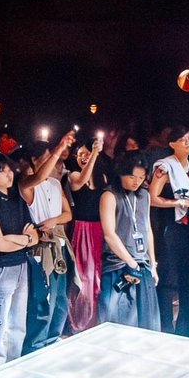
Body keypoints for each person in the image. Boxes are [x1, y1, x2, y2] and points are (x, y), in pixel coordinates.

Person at [0, 154, 37, 370]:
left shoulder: (17, 199)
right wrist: (24, 240)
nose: (9, 174)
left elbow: (34, 237)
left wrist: (17, 239)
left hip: (20, 265)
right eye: (2, 171)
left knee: (18, 325)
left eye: (9, 169)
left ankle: (13, 368)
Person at [19, 133, 75, 354]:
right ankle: (35, 346)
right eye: (47, 158)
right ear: (33, 160)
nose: (53, 162)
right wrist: (59, 149)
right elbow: (39, 176)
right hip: (40, 246)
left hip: (59, 241)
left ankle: (52, 339)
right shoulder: (26, 183)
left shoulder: (55, 183)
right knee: (43, 298)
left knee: (60, 297)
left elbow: (68, 214)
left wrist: (54, 220)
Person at [148, 126, 189, 336]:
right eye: (183, 139)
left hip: (188, 227)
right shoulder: (164, 167)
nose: (188, 142)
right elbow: (152, 198)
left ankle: (187, 326)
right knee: (168, 278)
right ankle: (165, 327)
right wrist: (178, 202)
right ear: (172, 144)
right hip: (168, 226)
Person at [98, 153, 161, 331]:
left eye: (141, 177)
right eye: (132, 177)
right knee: (117, 320)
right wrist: (130, 262)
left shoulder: (144, 195)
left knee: (147, 321)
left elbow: (147, 229)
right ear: (121, 173)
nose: (136, 182)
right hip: (117, 265)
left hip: (142, 264)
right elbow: (109, 234)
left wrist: (152, 263)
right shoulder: (109, 195)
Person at [65, 134, 108, 333]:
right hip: (82, 230)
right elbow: (81, 181)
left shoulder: (102, 177)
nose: (83, 157)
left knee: (97, 276)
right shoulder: (73, 175)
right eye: (80, 154)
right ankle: (78, 322)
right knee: (83, 277)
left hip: (99, 229)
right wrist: (94, 155)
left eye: (86, 153)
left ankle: (96, 320)